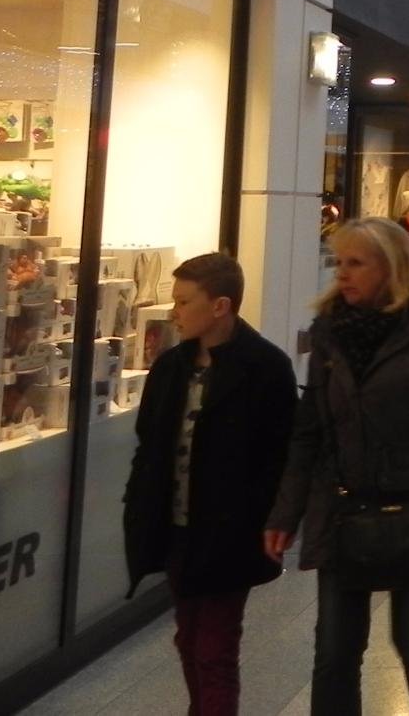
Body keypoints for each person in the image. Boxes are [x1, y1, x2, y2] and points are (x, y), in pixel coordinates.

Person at [264, 220, 409, 716]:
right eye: (339, 262)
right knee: (333, 653)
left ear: (390, 267)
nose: (342, 274)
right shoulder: (331, 329)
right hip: (343, 511)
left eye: (356, 263)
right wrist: (286, 512)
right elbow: (310, 430)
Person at [123, 253, 295, 716]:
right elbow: (149, 444)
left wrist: (270, 518)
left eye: (183, 302)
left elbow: (281, 454)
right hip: (177, 525)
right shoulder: (171, 368)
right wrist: (139, 505)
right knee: (188, 636)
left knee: (214, 647)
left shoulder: (266, 368)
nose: (174, 312)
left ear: (220, 306)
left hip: (230, 531)